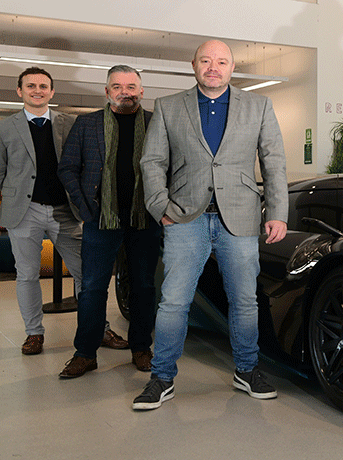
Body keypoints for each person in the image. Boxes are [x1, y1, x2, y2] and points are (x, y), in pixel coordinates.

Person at [133, 40, 288, 410]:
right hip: (185, 216)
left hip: (241, 216)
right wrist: (160, 207)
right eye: (206, 60)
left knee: (244, 301)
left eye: (221, 61)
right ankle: (162, 377)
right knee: (173, 301)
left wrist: (278, 211)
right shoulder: (169, 106)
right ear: (194, 65)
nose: (213, 67)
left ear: (232, 68)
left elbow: (274, 160)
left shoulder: (259, 105)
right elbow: (152, 161)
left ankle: (247, 370)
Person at [0, 67, 126, 355]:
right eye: (30, 86)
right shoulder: (5, 128)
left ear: (52, 92)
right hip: (24, 211)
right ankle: (34, 333)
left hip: (66, 211)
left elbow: (84, 167)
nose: (37, 90)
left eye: (43, 86)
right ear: (20, 91)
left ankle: (99, 328)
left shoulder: (70, 124)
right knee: (27, 275)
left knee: (88, 274)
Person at [57, 65, 161, 378]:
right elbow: (67, 168)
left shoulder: (157, 124)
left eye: (131, 86)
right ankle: (85, 353)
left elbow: (172, 168)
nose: (124, 92)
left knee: (143, 286)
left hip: (145, 218)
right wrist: (85, 208)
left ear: (142, 92)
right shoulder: (86, 124)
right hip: (100, 219)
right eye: (117, 86)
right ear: (107, 91)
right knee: (91, 288)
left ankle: (141, 348)